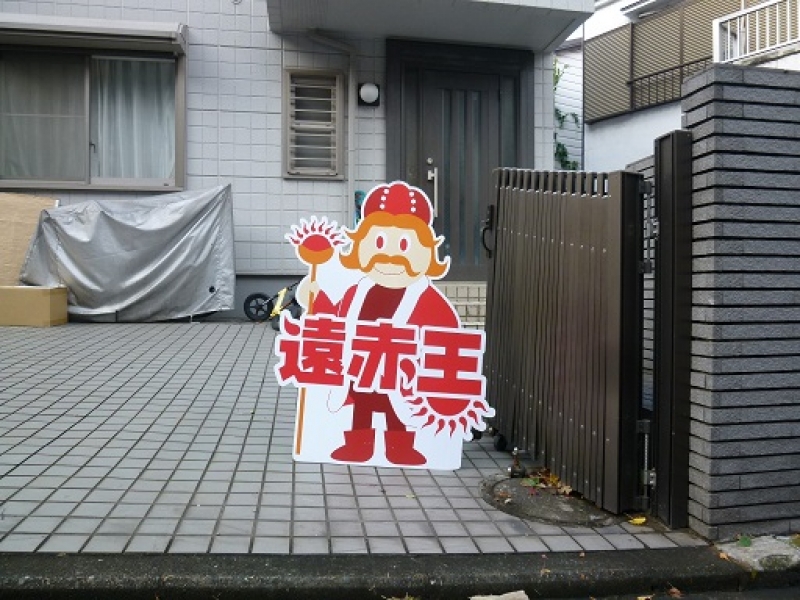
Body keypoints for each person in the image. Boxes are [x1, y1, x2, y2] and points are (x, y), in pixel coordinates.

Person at [297, 181, 459, 466]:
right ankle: (359, 445)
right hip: (361, 365)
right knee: (362, 405)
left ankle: (400, 447)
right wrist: (316, 297)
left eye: (405, 245)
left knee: (397, 410)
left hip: (402, 369)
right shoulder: (358, 290)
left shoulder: (426, 298)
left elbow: (444, 332)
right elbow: (335, 319)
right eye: (379, 243)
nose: (391, 256)